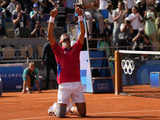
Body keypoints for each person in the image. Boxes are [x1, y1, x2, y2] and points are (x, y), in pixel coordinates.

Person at [47, 6, 86, 117]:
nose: (67, 41)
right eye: (64, 40)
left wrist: (80, 16)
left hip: (77, 84)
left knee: (83, 113)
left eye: (68, 39)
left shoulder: (76, 48)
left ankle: (71, 108)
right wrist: (52, 18)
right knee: (60, 115)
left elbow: (82, 33)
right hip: (64, 85)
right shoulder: (57, 50)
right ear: (60, 42)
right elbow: (50, 36)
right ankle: (55, 107)